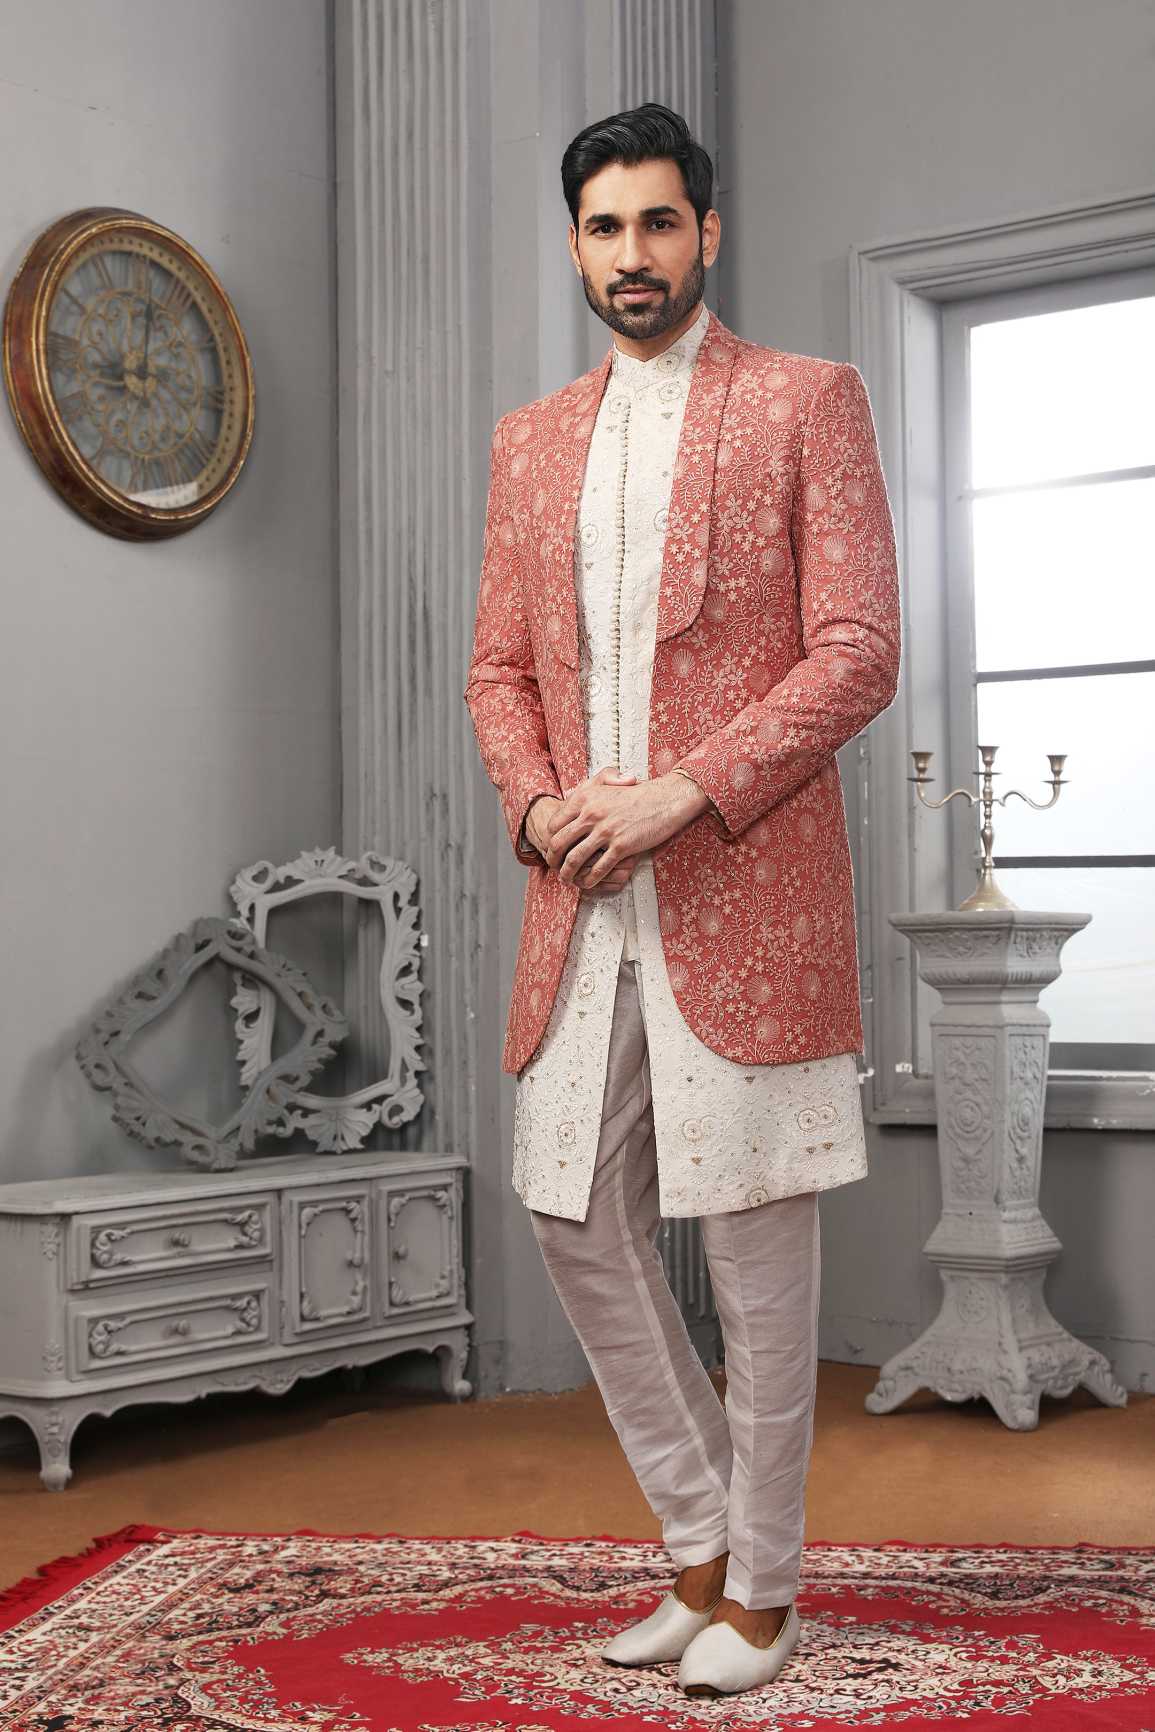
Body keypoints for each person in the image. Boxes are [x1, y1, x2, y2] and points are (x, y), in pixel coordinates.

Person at [463, 100, 900, 1699]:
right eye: (604, 228)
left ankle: (765, 1594)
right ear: (575, 244)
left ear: (707, 232)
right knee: (574, 1210)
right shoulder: (528, 442)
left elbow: (857, 650)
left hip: (742, 881)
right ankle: (702, 1542)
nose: (632, 254)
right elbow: (498, 670)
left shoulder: (805, 401)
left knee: (758, 1252)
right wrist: (539, 806)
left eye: (659, 222)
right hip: (582, 894)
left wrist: (680, 793)